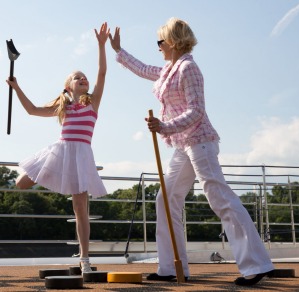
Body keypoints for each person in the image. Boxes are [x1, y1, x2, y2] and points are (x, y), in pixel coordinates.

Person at [109, 18, 274, 286]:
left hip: (200, 141)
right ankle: (171, 268)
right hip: (183, 145)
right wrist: (118, 50)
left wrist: (164, 126)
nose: (158, 47)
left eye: (159, 42)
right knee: (165, 198)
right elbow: (142, 69)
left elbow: (196, 111)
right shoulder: (169, 69)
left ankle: (257, 264)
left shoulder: (189, 69)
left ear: (172, 42)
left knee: (219, 197)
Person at [6, 22, 110, 273]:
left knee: (80, 209)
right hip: (60, 153)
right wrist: (17, 88)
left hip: (81, 156)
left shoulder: (92, 103)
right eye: (77, 77)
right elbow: (31, 110)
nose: (83, 79)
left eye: (84, 77)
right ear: (68, 86)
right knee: (21, 183)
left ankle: (85, 260)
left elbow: (102, 73)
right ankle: (55, 177)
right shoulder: (62, 106)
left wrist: (101, 45)